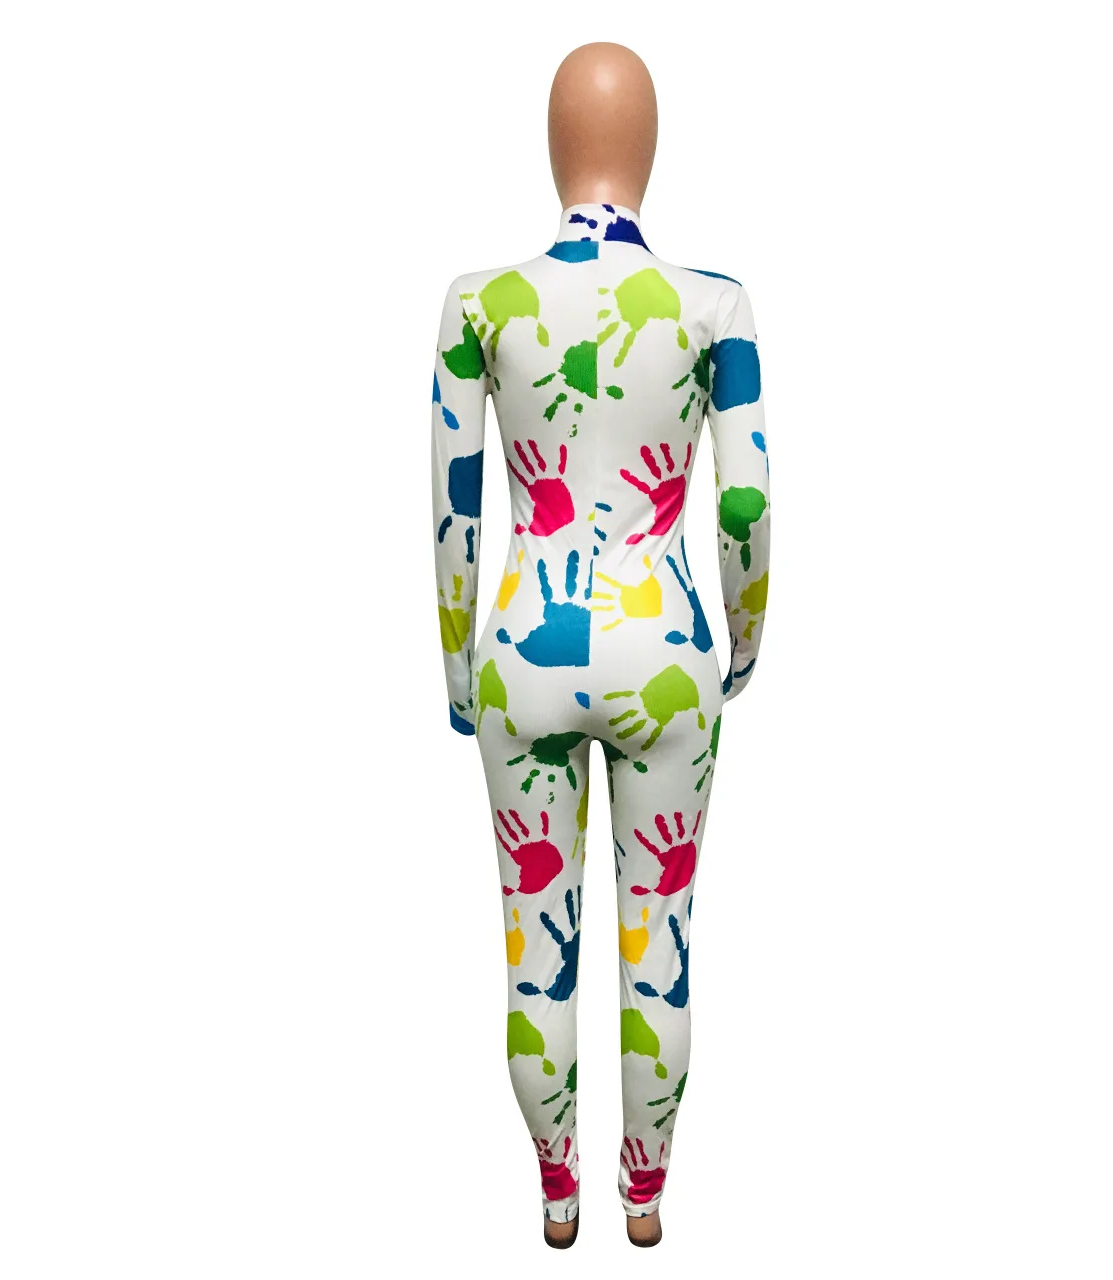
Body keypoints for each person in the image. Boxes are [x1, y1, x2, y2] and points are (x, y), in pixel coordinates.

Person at [430, 42, 771, 1248]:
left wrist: (456, 665)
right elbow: (745, 501)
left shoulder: (479, 303)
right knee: (656, 944)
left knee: (535, 947)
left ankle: (555, 1192)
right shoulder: (713, 306)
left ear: (553, 144)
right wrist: (741, 640)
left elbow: (454, 505)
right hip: (662, 644)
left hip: (521, 648)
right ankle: (644, 1194)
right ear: (649, 146)